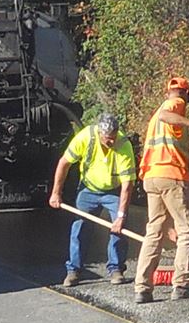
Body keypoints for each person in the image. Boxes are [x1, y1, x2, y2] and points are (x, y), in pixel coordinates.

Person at [49, 110, 136, 287]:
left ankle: (116, 269)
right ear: (99, 133)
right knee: (80, 227)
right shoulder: (86, 137)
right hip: (88, 189)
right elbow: (64, 163)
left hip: (113, 190)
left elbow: (127, 185)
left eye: (113, 137)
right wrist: (56, 192)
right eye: (108, 138)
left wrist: (120, 216)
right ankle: (74, 270)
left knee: (119, 228)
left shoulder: (123, 145)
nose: (111, 141)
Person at [134, 77, 189, 302]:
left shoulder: (154, 118)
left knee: (155, 230)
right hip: (171, 175)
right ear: (185, 94)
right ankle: (181, 285)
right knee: (188, 228)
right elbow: (167, 114)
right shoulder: (175, 104)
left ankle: (142, 287)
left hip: (152, 176)